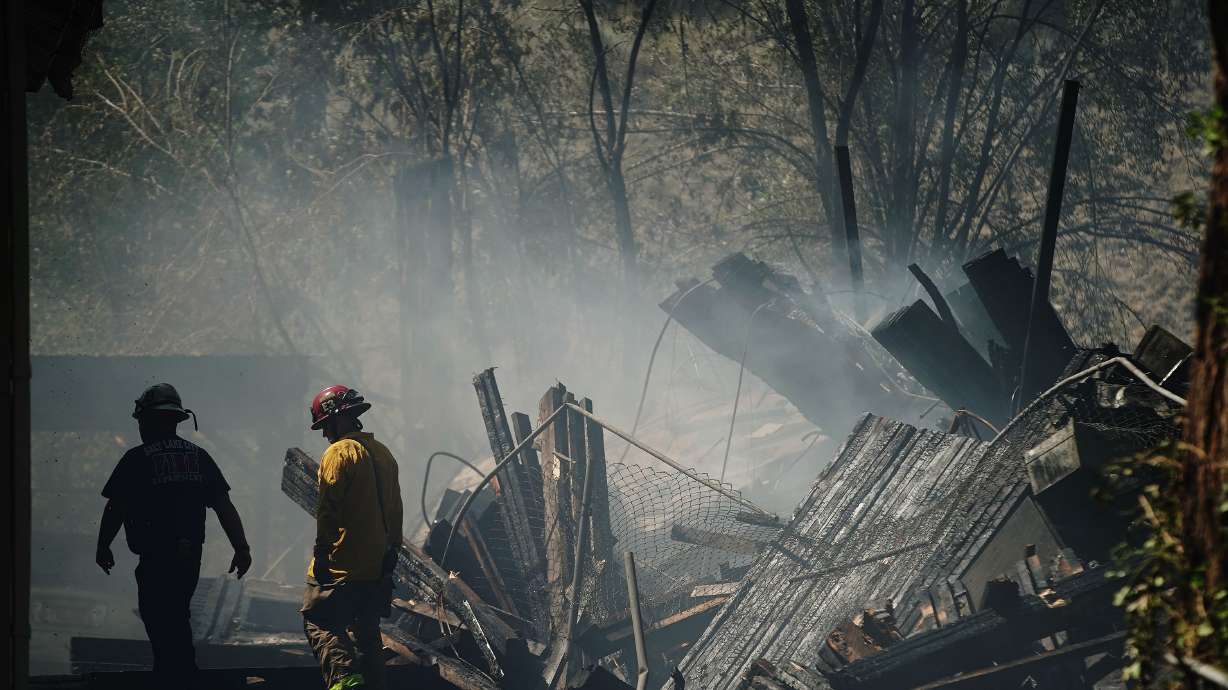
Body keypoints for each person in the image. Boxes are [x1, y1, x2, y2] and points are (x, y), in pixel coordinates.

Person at [95, 383, 251, 684]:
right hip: (190, 556)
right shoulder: (199, 456)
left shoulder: (136, 459)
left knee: (159, 618)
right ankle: (175, 674)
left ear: (148, 421)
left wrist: (103, 545)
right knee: (176, 615)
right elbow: (223, 505)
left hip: (155, 556)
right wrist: (241, 547)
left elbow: (116, 507)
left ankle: (177, 677)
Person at [301, 385, 403, 690]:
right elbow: (396, 507)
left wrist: (322, 553)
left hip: (341, 564)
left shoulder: (338, 453)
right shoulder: (384, 453)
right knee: (366, 632)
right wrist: (391, 551)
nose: (324, 434)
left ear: (337, 419)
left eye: (325, 426)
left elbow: (328, 509)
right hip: (376, 566)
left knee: (318, 618)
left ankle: (346, 682)